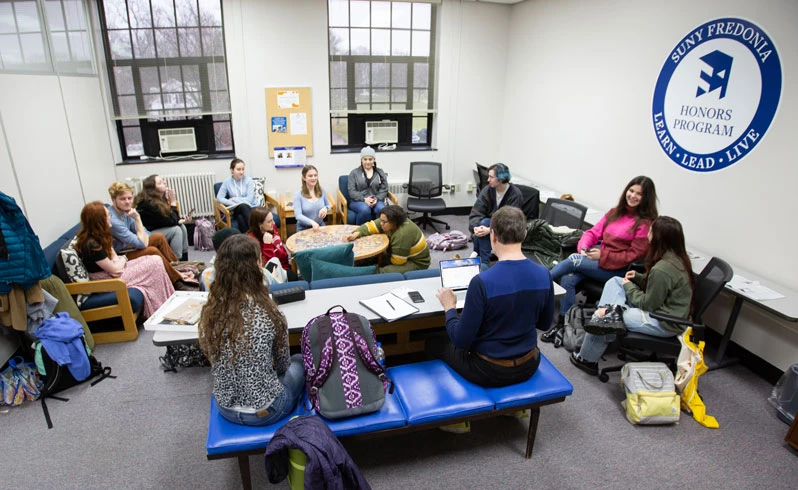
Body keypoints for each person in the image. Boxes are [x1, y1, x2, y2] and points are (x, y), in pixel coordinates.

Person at [429, 206, 554, 388]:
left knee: (434, 342)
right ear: (524, 234)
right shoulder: (544, 274)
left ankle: (461, 408)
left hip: (489, 370)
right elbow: (544, 324)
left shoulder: (482, 282)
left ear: (492, 235)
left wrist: (449, 307)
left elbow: (460, 340)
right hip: (529, 364)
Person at [198, 234, 305, 427]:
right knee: (300, 360)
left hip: (225, 407)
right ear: (256, 266)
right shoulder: (269, 312)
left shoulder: (209, 312)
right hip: (266, 411)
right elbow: (282, 366)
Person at [569, 216, 695, 376]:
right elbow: (661, 287)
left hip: (663, 322)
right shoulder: (675, 258)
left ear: (658, 238)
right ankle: (608, 317)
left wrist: (629, 286)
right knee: (615, 282)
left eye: (651, 231)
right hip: (665, 311)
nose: (647, 234)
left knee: (605, 318)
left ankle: (587, 359)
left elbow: (648, 304)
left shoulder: (662, 269)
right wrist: (638, 277)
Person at [546, 176, 658, 336]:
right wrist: (584, 248)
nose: (633, 195)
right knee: (568, 279)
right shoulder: (615, 212)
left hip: (616, 271)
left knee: (573, 260)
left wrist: (603, 255)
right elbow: (592, 232)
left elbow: (632, 255)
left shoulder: (644, 224)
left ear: (646, 198)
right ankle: (564, 327)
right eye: (631, 190)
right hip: (596, 263)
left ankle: (535, 284)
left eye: (638, 194)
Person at [76, 201, 174, 317]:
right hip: (105, 281)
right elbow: (115, 271)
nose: (110, 218)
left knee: (154, 258)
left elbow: (115, 258)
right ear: (99, 220)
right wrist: (123, 259)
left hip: (112, 271)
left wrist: (120, 260)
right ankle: (160, 308)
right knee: (154, 264)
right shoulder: (91, 244)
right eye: (107, 215)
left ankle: (167, 301)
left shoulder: (101, 236)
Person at [107, 181, 197, 288]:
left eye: (129, 198)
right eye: (122, 199)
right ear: (113, 200)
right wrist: (137, 218)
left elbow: (146, 233)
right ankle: (177, 280)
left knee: (158, 237)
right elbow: (141, 243)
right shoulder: (113, 219)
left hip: (130, 246)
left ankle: (177, 268)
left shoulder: (125, 211)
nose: (127, 202)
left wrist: (139, 237)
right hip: (121, 256)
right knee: (152, 251)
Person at [345, 205, 430, 274]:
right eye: (381, 220)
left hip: (416, 262)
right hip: (399, 254)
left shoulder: (402, 234)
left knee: (382, 272)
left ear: (394, 221)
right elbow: (373, 225)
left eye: (384, 222)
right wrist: (358, 232)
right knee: (370, 258)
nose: (381, 224)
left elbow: (398, 262)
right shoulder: (392, 220)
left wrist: (381, 258)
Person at [468, 163, 524, 266]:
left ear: (501, 179)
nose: (488, 180)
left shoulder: (515, 195)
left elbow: (511, 223)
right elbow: (476, 211)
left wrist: (489, 230)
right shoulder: (488, 190)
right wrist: (475, 227)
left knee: (485, 224)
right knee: (482, 224)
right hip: (490, 224)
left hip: (507, 228)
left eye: (491, 177)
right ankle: (482, 260)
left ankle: (482, 261)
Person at [134, 175, 190, 260]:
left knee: (182, 227)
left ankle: (185, 259)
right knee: (176, 230)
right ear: (153, 189)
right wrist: (173, 202)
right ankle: (177, 261)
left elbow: (172, 218)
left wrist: (179, 221)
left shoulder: (159, 199)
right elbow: (171, 221)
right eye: (160, 183)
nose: (164, 182)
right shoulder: (148, 203)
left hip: (159, 227)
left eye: (163, 180)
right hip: (148, 233)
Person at [247, 207, 298, 281]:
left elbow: (280, 246)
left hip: (285, 264)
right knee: (294, 280)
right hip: (273, 272)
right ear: (260, 225)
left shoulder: (272, 228)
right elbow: (268, 266)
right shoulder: (253, 241)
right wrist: (267, 245)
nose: (274, 223)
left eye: (272, 219)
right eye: (269, 221)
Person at [216, 158, 261, 231]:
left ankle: (248, 238)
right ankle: (257, 232)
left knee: (240, 218)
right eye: (239, 169)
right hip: (236, 208)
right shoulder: (227, 182)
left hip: (252, 207)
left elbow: (249, 200)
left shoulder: (248, 180)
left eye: (243, 169)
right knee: (243, 206)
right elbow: (219, 198)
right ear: (232, 170)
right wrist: (231, 203)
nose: (241, 172)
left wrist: (234, 199)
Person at [347, 146, 389, 225]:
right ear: (361, 160)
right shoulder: (354, 173)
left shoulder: (380, 172)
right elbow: (351, 191)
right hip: (358, 201)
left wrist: (377, 198)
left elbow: (384, 188)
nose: (368, 162)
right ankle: (360, 232)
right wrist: (364, 199)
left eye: (370, 159)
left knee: (381, 208)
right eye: (365, 159)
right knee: (365, 209)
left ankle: (378, 232)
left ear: (374, 160)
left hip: (376, 200)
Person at [293, 165, 331, 232]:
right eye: (310, 176)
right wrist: (312, 222)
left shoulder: (322, 191)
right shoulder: (298, 195)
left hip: (320, 226)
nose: (313, 178)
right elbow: (298, 215)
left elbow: (328, 205)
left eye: (315, 175)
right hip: (303, 228)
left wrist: (325, 208)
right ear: (304, 178)